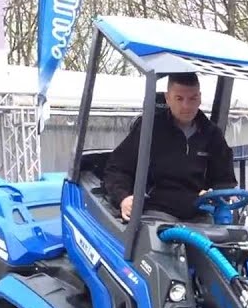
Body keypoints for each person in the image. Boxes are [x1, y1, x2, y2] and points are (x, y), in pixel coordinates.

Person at [102, 72, 238, 224]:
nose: (186, 106)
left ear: (200, 98)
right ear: (167, 98)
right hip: (156, 212)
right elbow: (117, 168)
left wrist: (215, 193)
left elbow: (225, 179)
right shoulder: (149, 129)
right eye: (179, 98)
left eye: (192, 98)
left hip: (198, 214)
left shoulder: (212, 134)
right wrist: (123, 198)